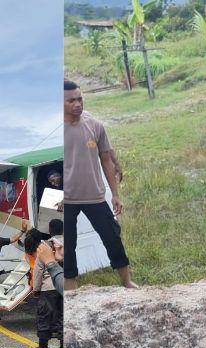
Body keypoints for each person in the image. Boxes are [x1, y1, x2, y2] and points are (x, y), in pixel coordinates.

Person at [62, 79, 137, 290]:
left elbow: (106, 159)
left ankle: (127, 281)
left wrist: (115, 194)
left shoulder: (94, 125)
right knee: (68, 245)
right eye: (71, 101)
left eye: (80, 99)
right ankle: (71, 288)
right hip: (65, 199)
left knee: (112, 237)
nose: (77, 104)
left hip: (94, 195)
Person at [32, 219, 64, 348]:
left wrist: (36, 289)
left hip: (48, 287)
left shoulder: (44, 246)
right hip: (64, 286)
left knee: (45, 316)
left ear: (50, 230)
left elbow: (38, 270)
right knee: (64, 318)